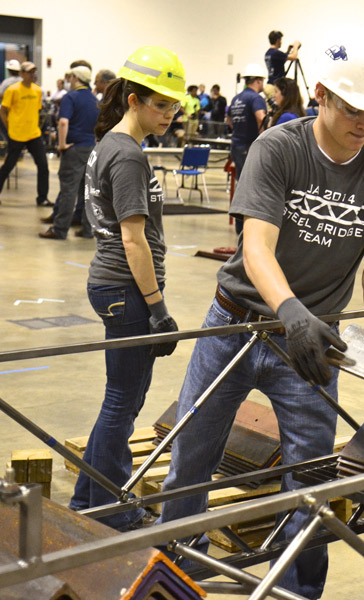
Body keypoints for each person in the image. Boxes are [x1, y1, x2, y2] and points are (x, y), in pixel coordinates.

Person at [157, 26, 364, 599]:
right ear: (321, 92)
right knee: (192, 454)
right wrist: (290, 311)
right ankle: (178, 573)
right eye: (353, 109)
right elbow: (256, 248)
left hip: (314, 342)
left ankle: (298, 588)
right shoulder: (280, 148)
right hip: (235, 327)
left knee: (312, 479)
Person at [68, 46, 184, 531]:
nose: (170, 115)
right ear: (133, 100)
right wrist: (157, 308)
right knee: (124, 400)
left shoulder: (110, 146)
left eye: (175, 106)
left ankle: (86, 500)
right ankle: (115, 511)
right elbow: (133, 239)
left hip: (112, 284)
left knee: (120, 397)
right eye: (161, 105)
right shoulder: (128, 155)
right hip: (126, 287)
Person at [40, 65, 99, 240]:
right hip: (91, 148)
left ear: (75, 78)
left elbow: (63, 122)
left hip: (74, 148)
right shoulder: (95, 99)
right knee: (87, 190)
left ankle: (60, 229)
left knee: (68, 190)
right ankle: (88, 230)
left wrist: (62, 144)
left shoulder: (70, 97)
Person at [0, 61, 51, 206]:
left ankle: (42, 198)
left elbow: (37, 110)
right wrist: (9, 127)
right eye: (29, 72)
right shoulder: (13, 90)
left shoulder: (37, 90)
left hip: (33, 134)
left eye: (33, 72)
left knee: (43, 165)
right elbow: (3, 111)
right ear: (21, 74)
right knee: (8, 166)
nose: (32, 74)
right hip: (16, 134)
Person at [227, 63, 267, 233]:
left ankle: (240, 225)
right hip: (249, 146)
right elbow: (261, 118)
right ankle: (245, 226)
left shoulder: (237, 98)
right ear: (258, 81)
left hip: (236, 144)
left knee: (241, 185)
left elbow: (228, 120)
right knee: (252, 187)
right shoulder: (256, 98)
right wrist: (266, 139)